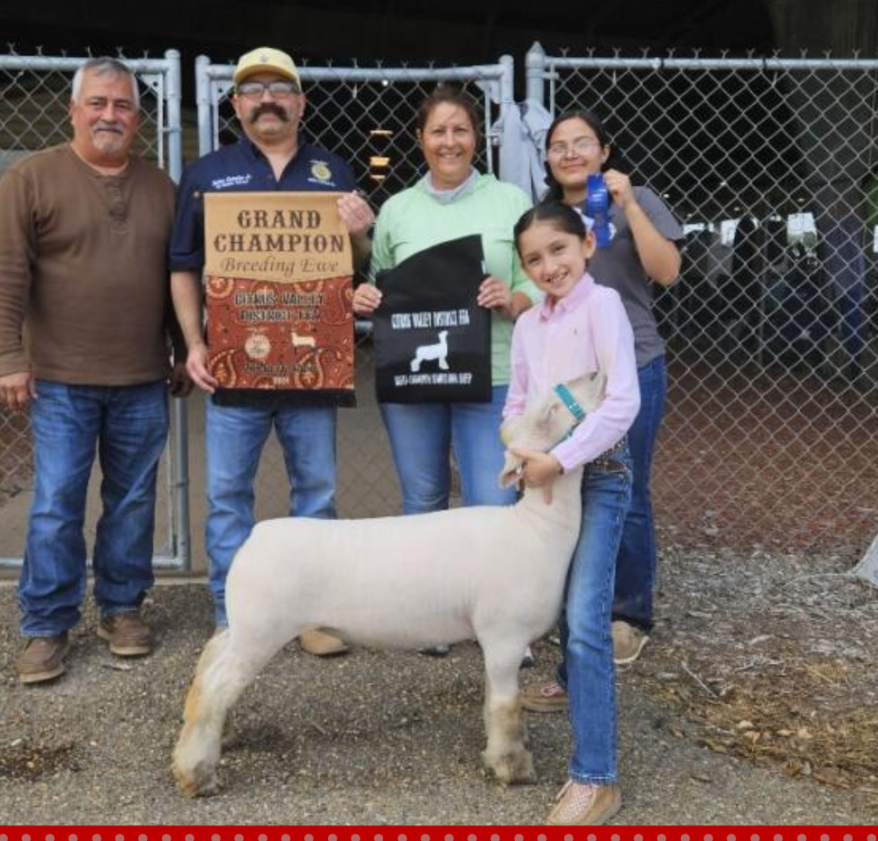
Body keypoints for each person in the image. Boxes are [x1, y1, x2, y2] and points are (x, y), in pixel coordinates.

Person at [0, 56, 190, 684]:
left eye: (123, 106)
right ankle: (46, 624)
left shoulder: (161, 188)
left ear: (138, 118)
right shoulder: (30, 179)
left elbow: (177, 277)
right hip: (60, 378)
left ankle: (122, 609)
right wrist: (9, 357)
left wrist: (183, 347)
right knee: (56, 502)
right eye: (98, 103)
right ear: (72, 110)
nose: (110, 115)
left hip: (141, 377)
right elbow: (3, 275)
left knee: (132, 501)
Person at [170, 46, 374, 656]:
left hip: (310, 371)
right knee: (228, 497)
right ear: (236, 104)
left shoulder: (332, 171)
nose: (266, 100)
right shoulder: (208, 174)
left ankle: (313, 614)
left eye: (279, 90)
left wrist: (361, 230)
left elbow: (358, 268)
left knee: (315, 493)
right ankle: (232, 616)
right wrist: (194, 343)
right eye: (252, 91)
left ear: (300, 102)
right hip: (237, 369)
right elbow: (183, 266)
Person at [505, 200, 640, 825]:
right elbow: (517, 401)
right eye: (534, 258)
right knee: (549, 607)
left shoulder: (603, 306)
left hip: (597, 477)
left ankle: (596, 777)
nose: (548, 265)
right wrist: (518, 443)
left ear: (586, 244)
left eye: (558, 250)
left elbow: (620, 403)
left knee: (586, 618)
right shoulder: (531, 323)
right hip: (540, 481)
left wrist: (557, 459)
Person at [535, 108, 682, 667]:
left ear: (603, 151)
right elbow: (539, 289)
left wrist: (630, 206)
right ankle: (573, 603)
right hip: (569, 376)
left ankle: (629, 613)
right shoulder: (546, 216)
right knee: (569, 482)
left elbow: (666, 271)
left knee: (627, 488)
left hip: (633, 365)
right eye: (558, 145)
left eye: (582, 143)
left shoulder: (635, 197)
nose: (570, 152)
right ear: (547, 158)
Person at [352, 88, 539, 510]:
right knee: (423, 499)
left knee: (493, 501)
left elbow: (537, 283)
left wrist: (511, 298)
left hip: (491, 373)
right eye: (438, 131)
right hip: (413, 377)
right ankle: (429, 580)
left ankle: (483, 580)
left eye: (461, 130)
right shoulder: (397, 210)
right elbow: (381, 281)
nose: (449, 141)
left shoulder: (510, 201)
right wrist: (366, 297)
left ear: (477, 137)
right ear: (421, 138)